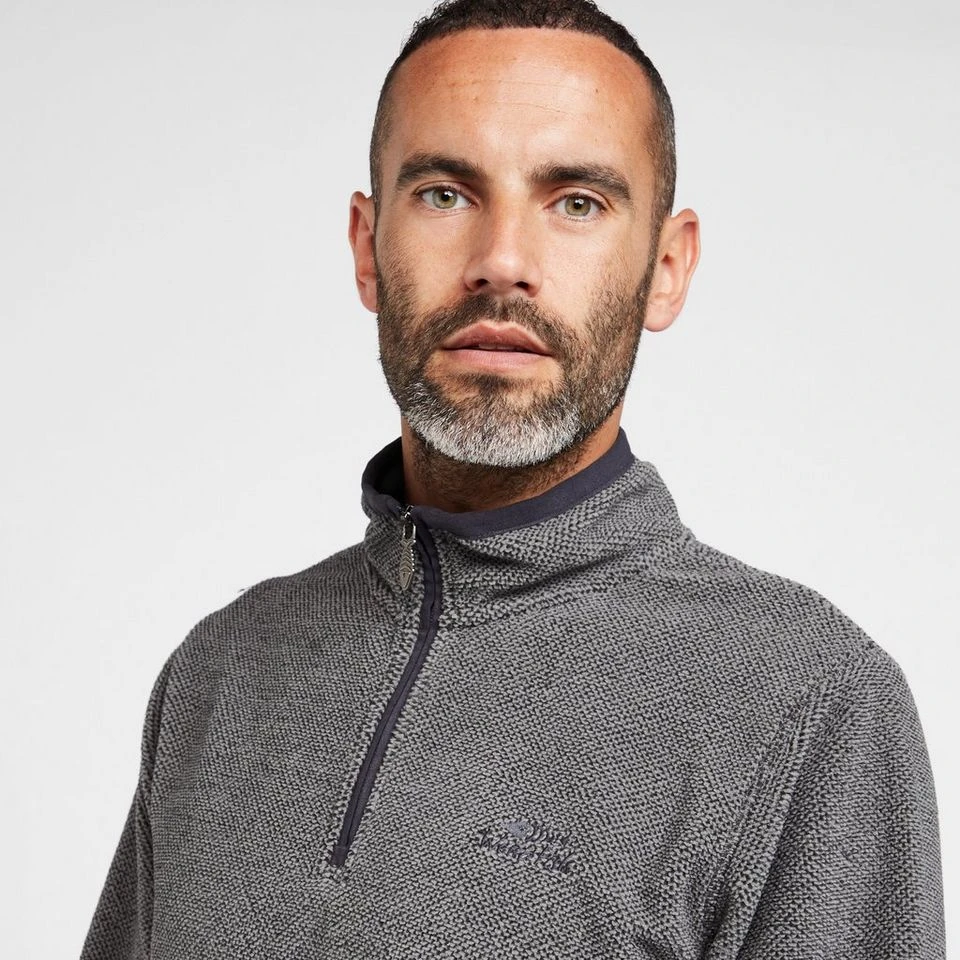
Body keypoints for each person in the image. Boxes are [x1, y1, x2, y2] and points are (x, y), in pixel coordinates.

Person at [81, 1, 945, 957]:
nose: (501, 263)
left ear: (666, 268)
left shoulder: (811, 699)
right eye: (444, 194)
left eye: (576, 202)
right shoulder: (221, 670)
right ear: (367, 247)